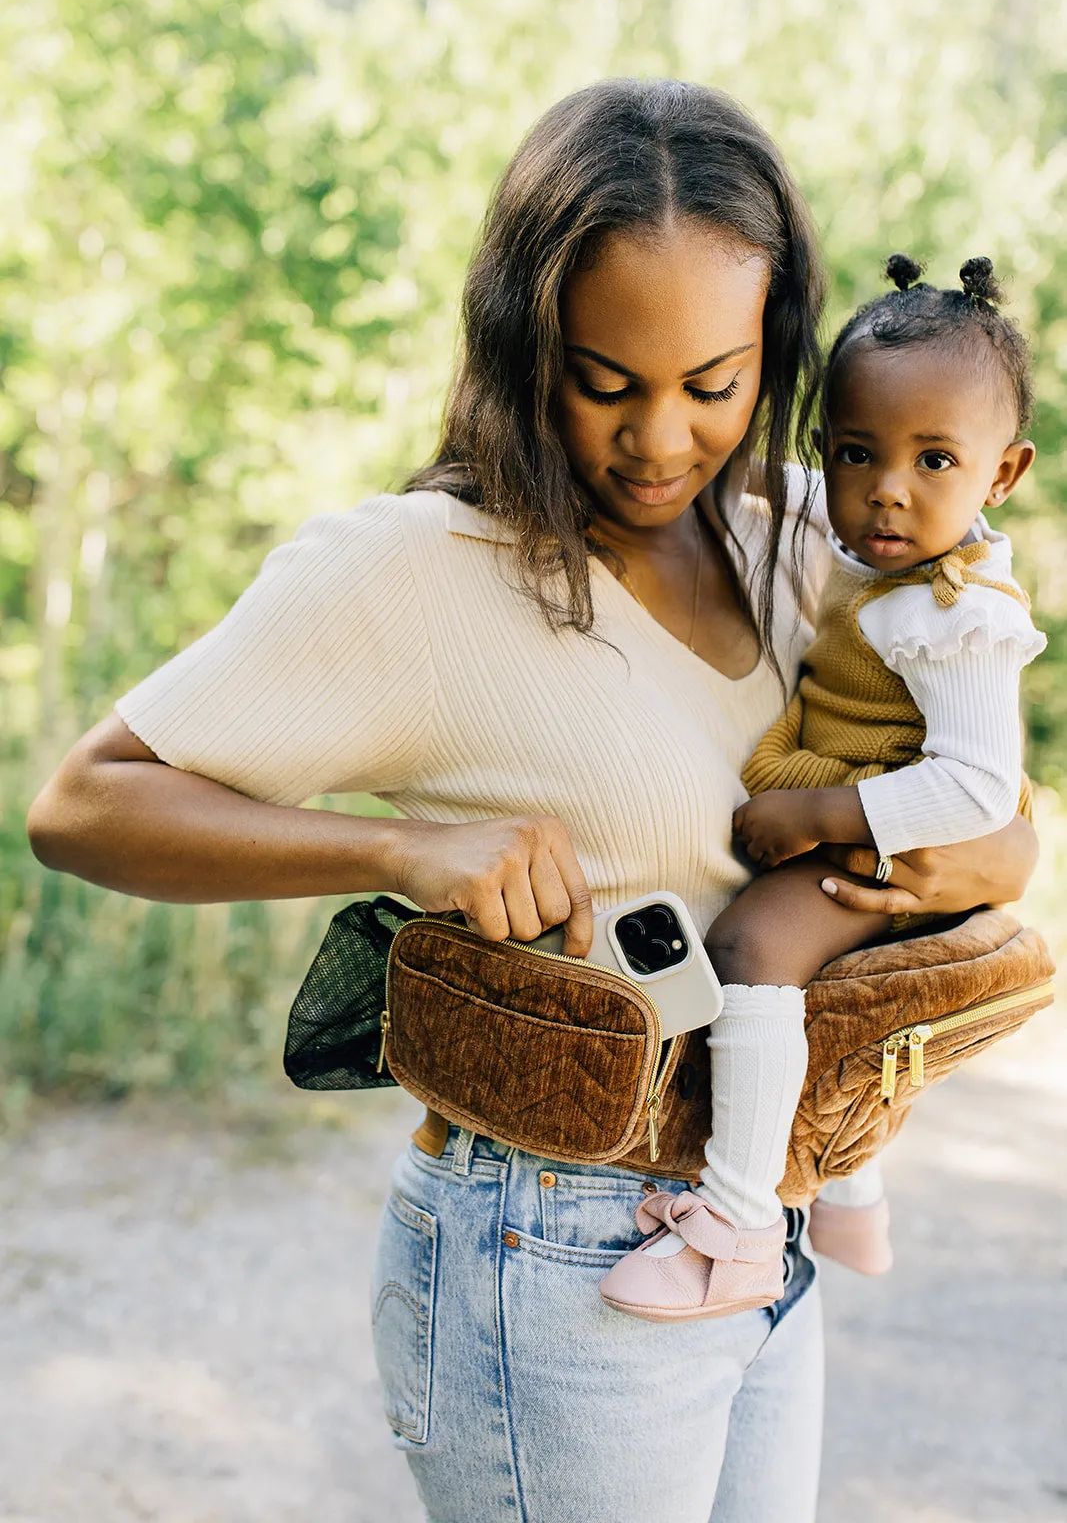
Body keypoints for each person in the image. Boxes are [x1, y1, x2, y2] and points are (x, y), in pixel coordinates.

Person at [26, 80, 1038, 1523]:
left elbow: (978, 793)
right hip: (548, 1248)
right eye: (602, 381)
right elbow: (83, 804)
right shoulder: (414, 568)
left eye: (713, 382)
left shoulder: (806, 538)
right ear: (519, 343)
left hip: (757, 1210)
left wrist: (974, 850)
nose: (658, 443)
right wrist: (403, 848)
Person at [599, 252, 1044, 1323]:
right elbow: (772, 481)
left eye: (933, 458)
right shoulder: (874, 534)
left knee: (753, 950)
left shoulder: (954, 610)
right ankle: (849, 1194)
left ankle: (738, 1228)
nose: (887, 486)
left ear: (1000, 474)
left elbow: (979, 787)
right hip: (865, 802)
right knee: (822, 1000)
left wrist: (820, 816)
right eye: (857, 453)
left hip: (889, 821)